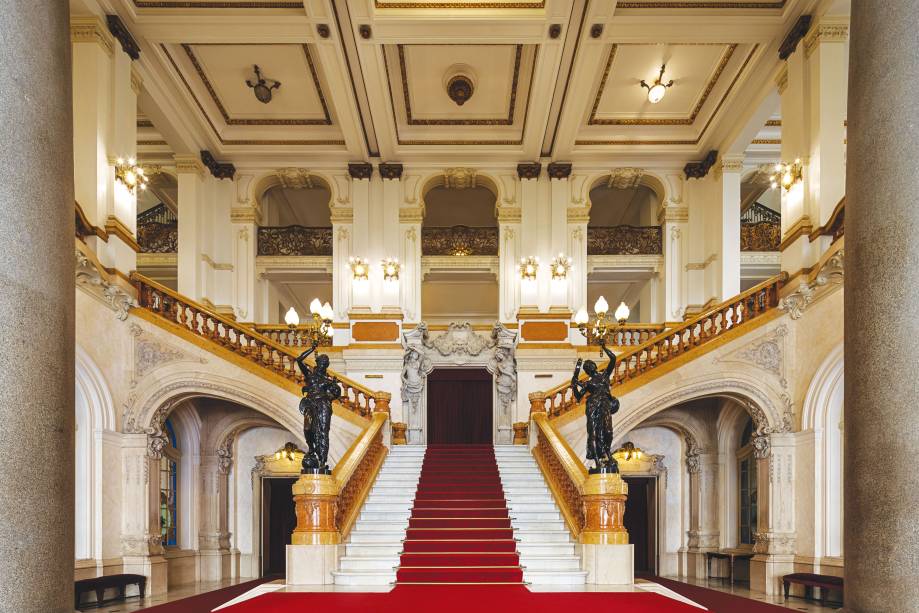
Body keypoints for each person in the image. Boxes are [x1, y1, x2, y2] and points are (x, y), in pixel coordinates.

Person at [570, 341, 620, 473]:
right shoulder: (587, 383)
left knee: (608, 431)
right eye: (587, 366)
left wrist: (604, 347)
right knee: (593, 433)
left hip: (604, 404)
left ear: (594, 366)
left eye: (590, 364)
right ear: (586, 370)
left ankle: (608, 455)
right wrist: (574, 385)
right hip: (592, 406)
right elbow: (578, 397)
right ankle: (597, 461)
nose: (589, 366)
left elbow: (613, 359)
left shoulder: (604, 375)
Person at [296, 343, 341, 473]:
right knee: (308, 427)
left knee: (323, 432)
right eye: (321, 362)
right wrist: (312, 349)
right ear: (317, 363)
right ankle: (311, 448)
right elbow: (299, 360)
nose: (322, 365)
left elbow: (336, 394)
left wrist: (331, 392)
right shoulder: (310, 375)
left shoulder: (328, 381)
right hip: (310, 403)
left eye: (325, 363)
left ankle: (322, 460)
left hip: (323, 405)